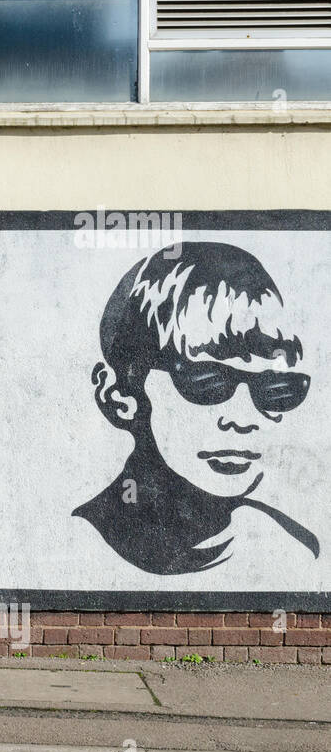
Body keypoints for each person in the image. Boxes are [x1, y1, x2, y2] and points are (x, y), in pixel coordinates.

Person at [74, 242, 319, 574]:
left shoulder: (293, 551)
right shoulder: (81, 543)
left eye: (277, 390)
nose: (243, 419)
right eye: (207, 383)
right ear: (119, 395)